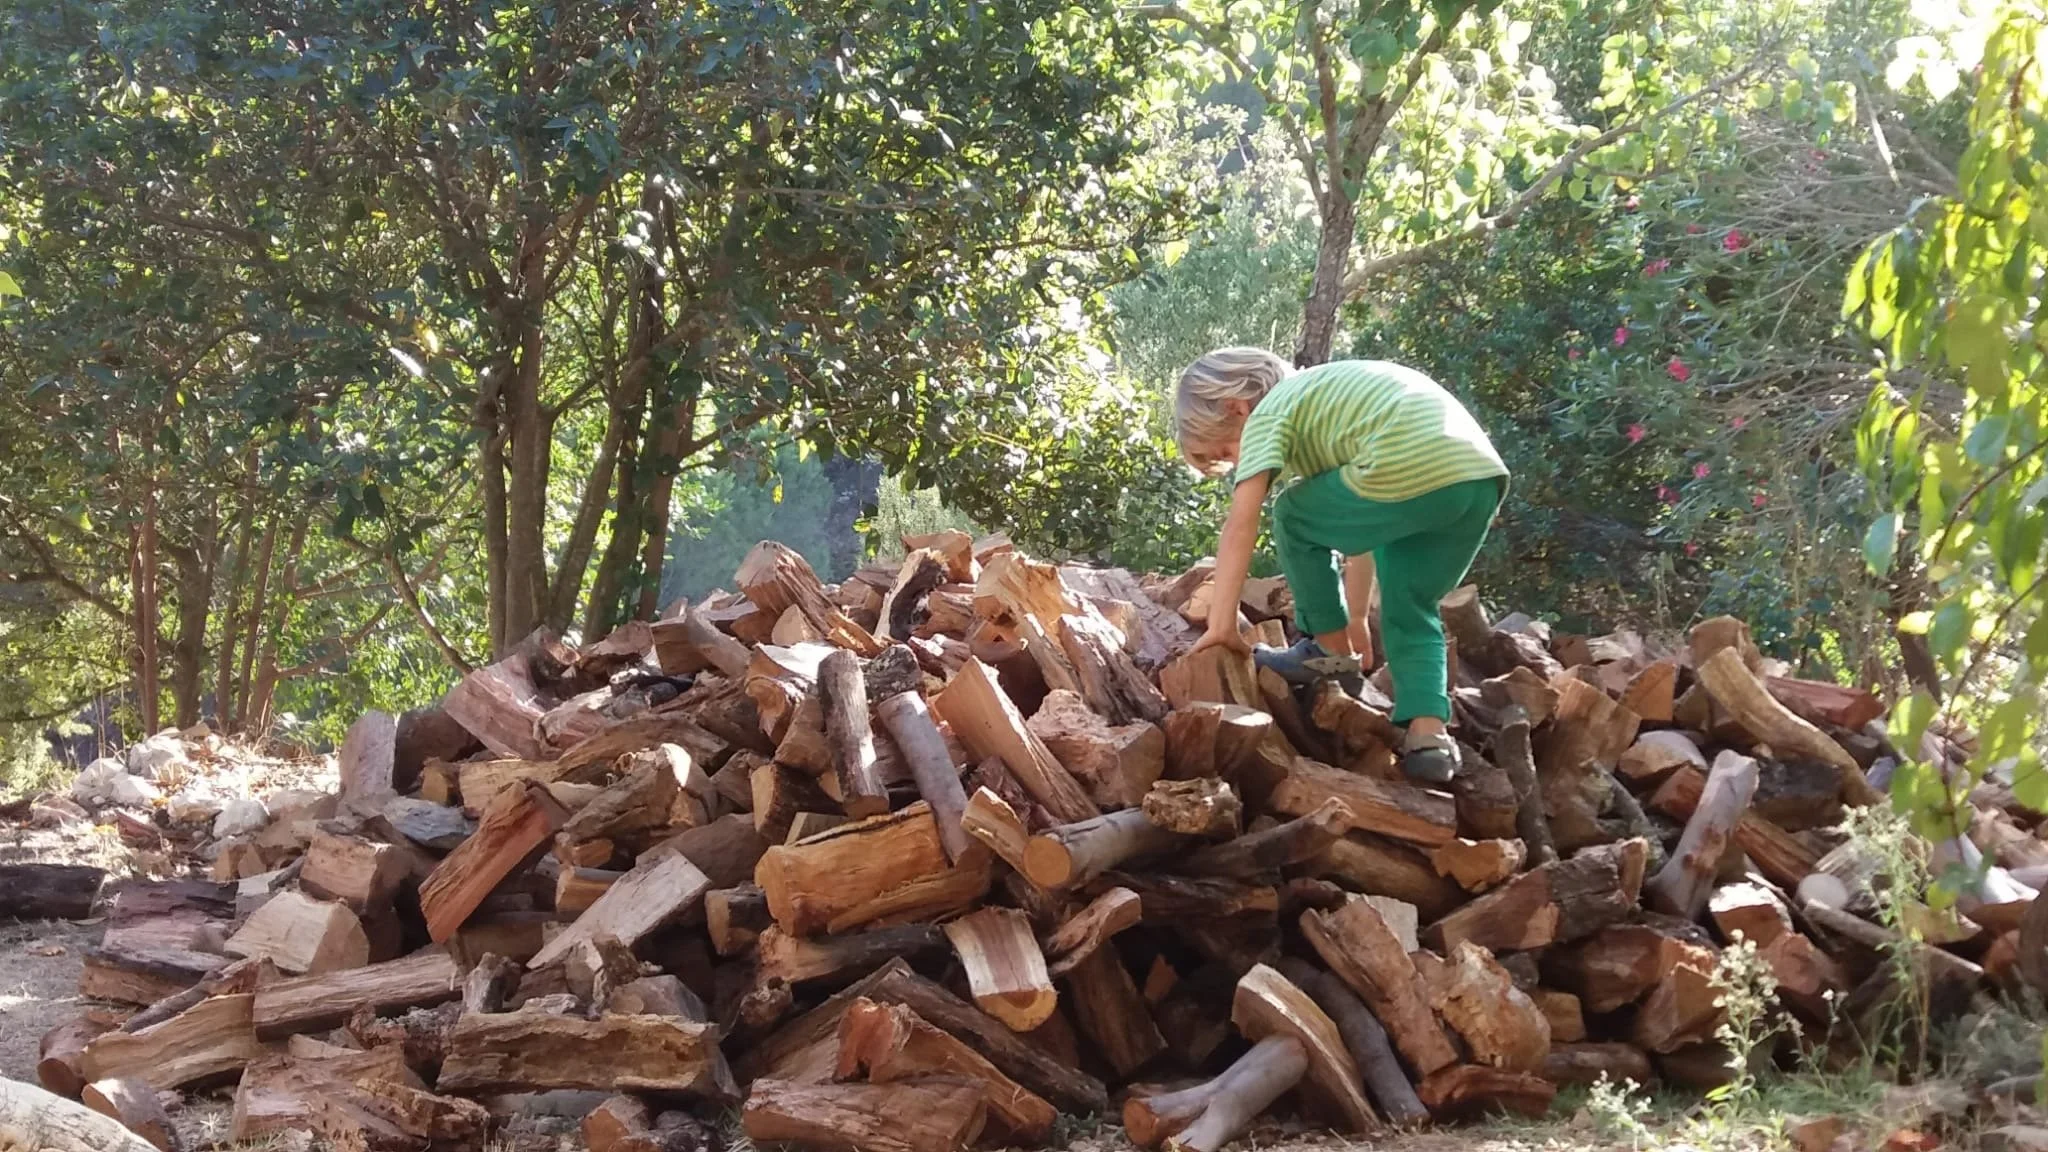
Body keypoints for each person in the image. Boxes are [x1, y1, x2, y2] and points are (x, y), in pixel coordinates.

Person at [1175, 347, 1507, 784]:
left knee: (1293, 516)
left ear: (1237, 408)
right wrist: (1355, 620)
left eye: (1228, 451)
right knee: (1412, 606)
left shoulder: (1270, 411)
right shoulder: (1332, 406)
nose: (1241, 464)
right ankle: (1429, 737)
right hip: (1474, 479)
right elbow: (1361, 534)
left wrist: (1221, 627)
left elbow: (1242, 523)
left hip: (1408, 460)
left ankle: (1327, 652)